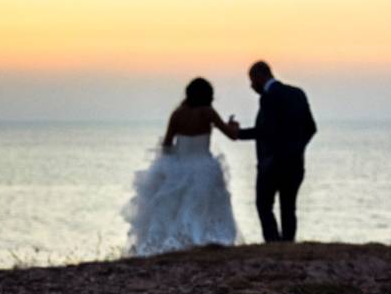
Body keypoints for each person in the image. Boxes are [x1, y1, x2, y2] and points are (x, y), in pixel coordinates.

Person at [122, 78, 239, 255]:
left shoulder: (177, 114)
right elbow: (231, 135)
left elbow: (167, 144)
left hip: (179, 167)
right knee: (202, 206)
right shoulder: (207, 112)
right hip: (204, 166)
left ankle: (181, 240)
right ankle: (201, 237)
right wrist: (233, 126)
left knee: (176, 207)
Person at [230, 61, 316, 242]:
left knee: (264, 205)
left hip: (272, 163)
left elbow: (265, 131)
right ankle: (288, 244)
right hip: (295, 163)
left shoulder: (269, 97)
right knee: (288, 207)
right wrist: (297, 149)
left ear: (260, 77)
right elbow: (311, 128)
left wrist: (238, 133)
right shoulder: (297, 93)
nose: (251, 86)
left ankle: (273, 243)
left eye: (252, 81)